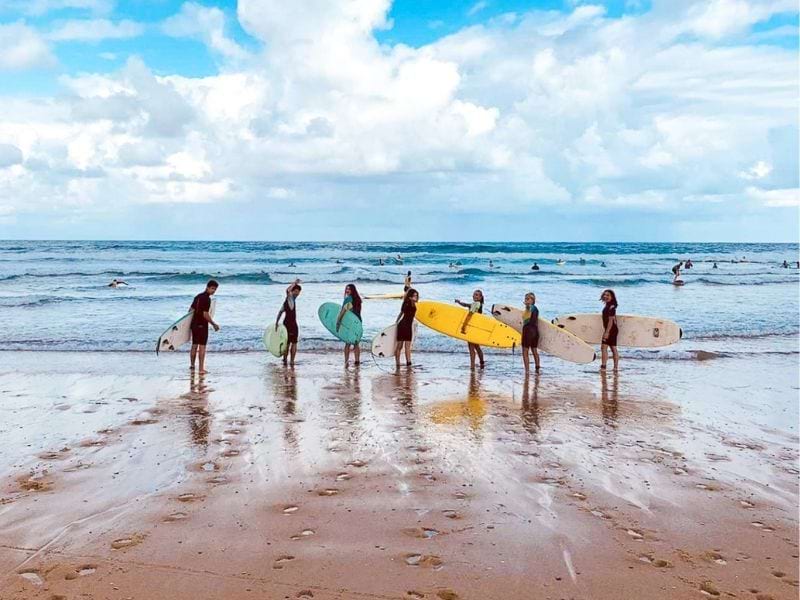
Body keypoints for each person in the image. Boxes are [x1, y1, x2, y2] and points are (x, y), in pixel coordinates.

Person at [190, 280, 220, 374]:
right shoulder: (207, 299)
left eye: (215, 289)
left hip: (194, 324)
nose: (213, 291)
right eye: (212, 288)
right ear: (207, 287)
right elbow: (205, 314)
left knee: (194, 345)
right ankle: (201, 369)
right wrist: (213, 324)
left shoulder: (197, 297)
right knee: (202, 347)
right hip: (202, 325)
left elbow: (190, 310)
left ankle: (192, 365)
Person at [455, 290, 485, 370]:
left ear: (480, 297)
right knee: (477, 347)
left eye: (477, 295)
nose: (475, 296)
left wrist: (464, 326)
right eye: (474, 295)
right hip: (476, 328)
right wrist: (459, 302)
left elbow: (469, 315)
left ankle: (472, 367)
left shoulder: (476, 304)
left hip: (471, 328)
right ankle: (482, 362)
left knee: (471, 348)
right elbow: (466, 305)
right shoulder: (478, 304)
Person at [276, 279, 302, 366]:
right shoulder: (290, 299)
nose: (297, 293)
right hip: (291, 324)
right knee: (292, 343)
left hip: (286, 324)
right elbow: (287, 290)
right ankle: (291, 361)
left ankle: (285, 359)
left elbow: (280, 312)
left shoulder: (286, 302)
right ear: (292, 291)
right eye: (296, 291)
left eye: (298, 292)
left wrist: (276, 323)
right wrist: (295, 283)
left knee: (288, 343)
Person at [336, 283, 362, 367]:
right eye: (346, 289)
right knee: (356, 342)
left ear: (352, 290)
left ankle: (346, 361)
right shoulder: (358, 299)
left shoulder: (348, 299)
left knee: (347, 342)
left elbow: (342, 312)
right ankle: (357, 361)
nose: (347, 291)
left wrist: (338, 322)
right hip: (358, 322)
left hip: (350, 323)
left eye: (349, 289)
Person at [395, 288, 418, 367]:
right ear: (410, 296)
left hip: (405, 326)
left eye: (416, 296)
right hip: (404, 326)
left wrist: (396, 322)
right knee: (402, 346)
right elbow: (402, 313)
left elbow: (401, 313)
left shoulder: (407, 303)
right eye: (414, 296)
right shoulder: (409, 303)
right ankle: (404, 363)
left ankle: (404, 363)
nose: (416, 297)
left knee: (405, 347)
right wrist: (396, 323)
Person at [600, 289, 619, 372]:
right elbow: (614, 319)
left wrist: (607, 332)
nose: (605, 296)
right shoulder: (609, 305)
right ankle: (614, 368)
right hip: (611, 329)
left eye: (608, 295)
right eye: (604, 295)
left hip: (611, 329)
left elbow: (611, 321)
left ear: (612, 297)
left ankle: (605, 367)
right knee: (610, 348)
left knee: (606, 347)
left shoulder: (611, 307)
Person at [521, 292, 540, 373]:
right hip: (535, 331)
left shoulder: (531, 307)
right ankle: (537, 368)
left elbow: (529, 307)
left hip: (528, 331)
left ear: (533, 300)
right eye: (525, 298)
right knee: (534, 350)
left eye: (528, 299)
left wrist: (527, 304)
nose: (526, 300)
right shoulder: (535, 309)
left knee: (525, 351)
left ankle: (527, 371)